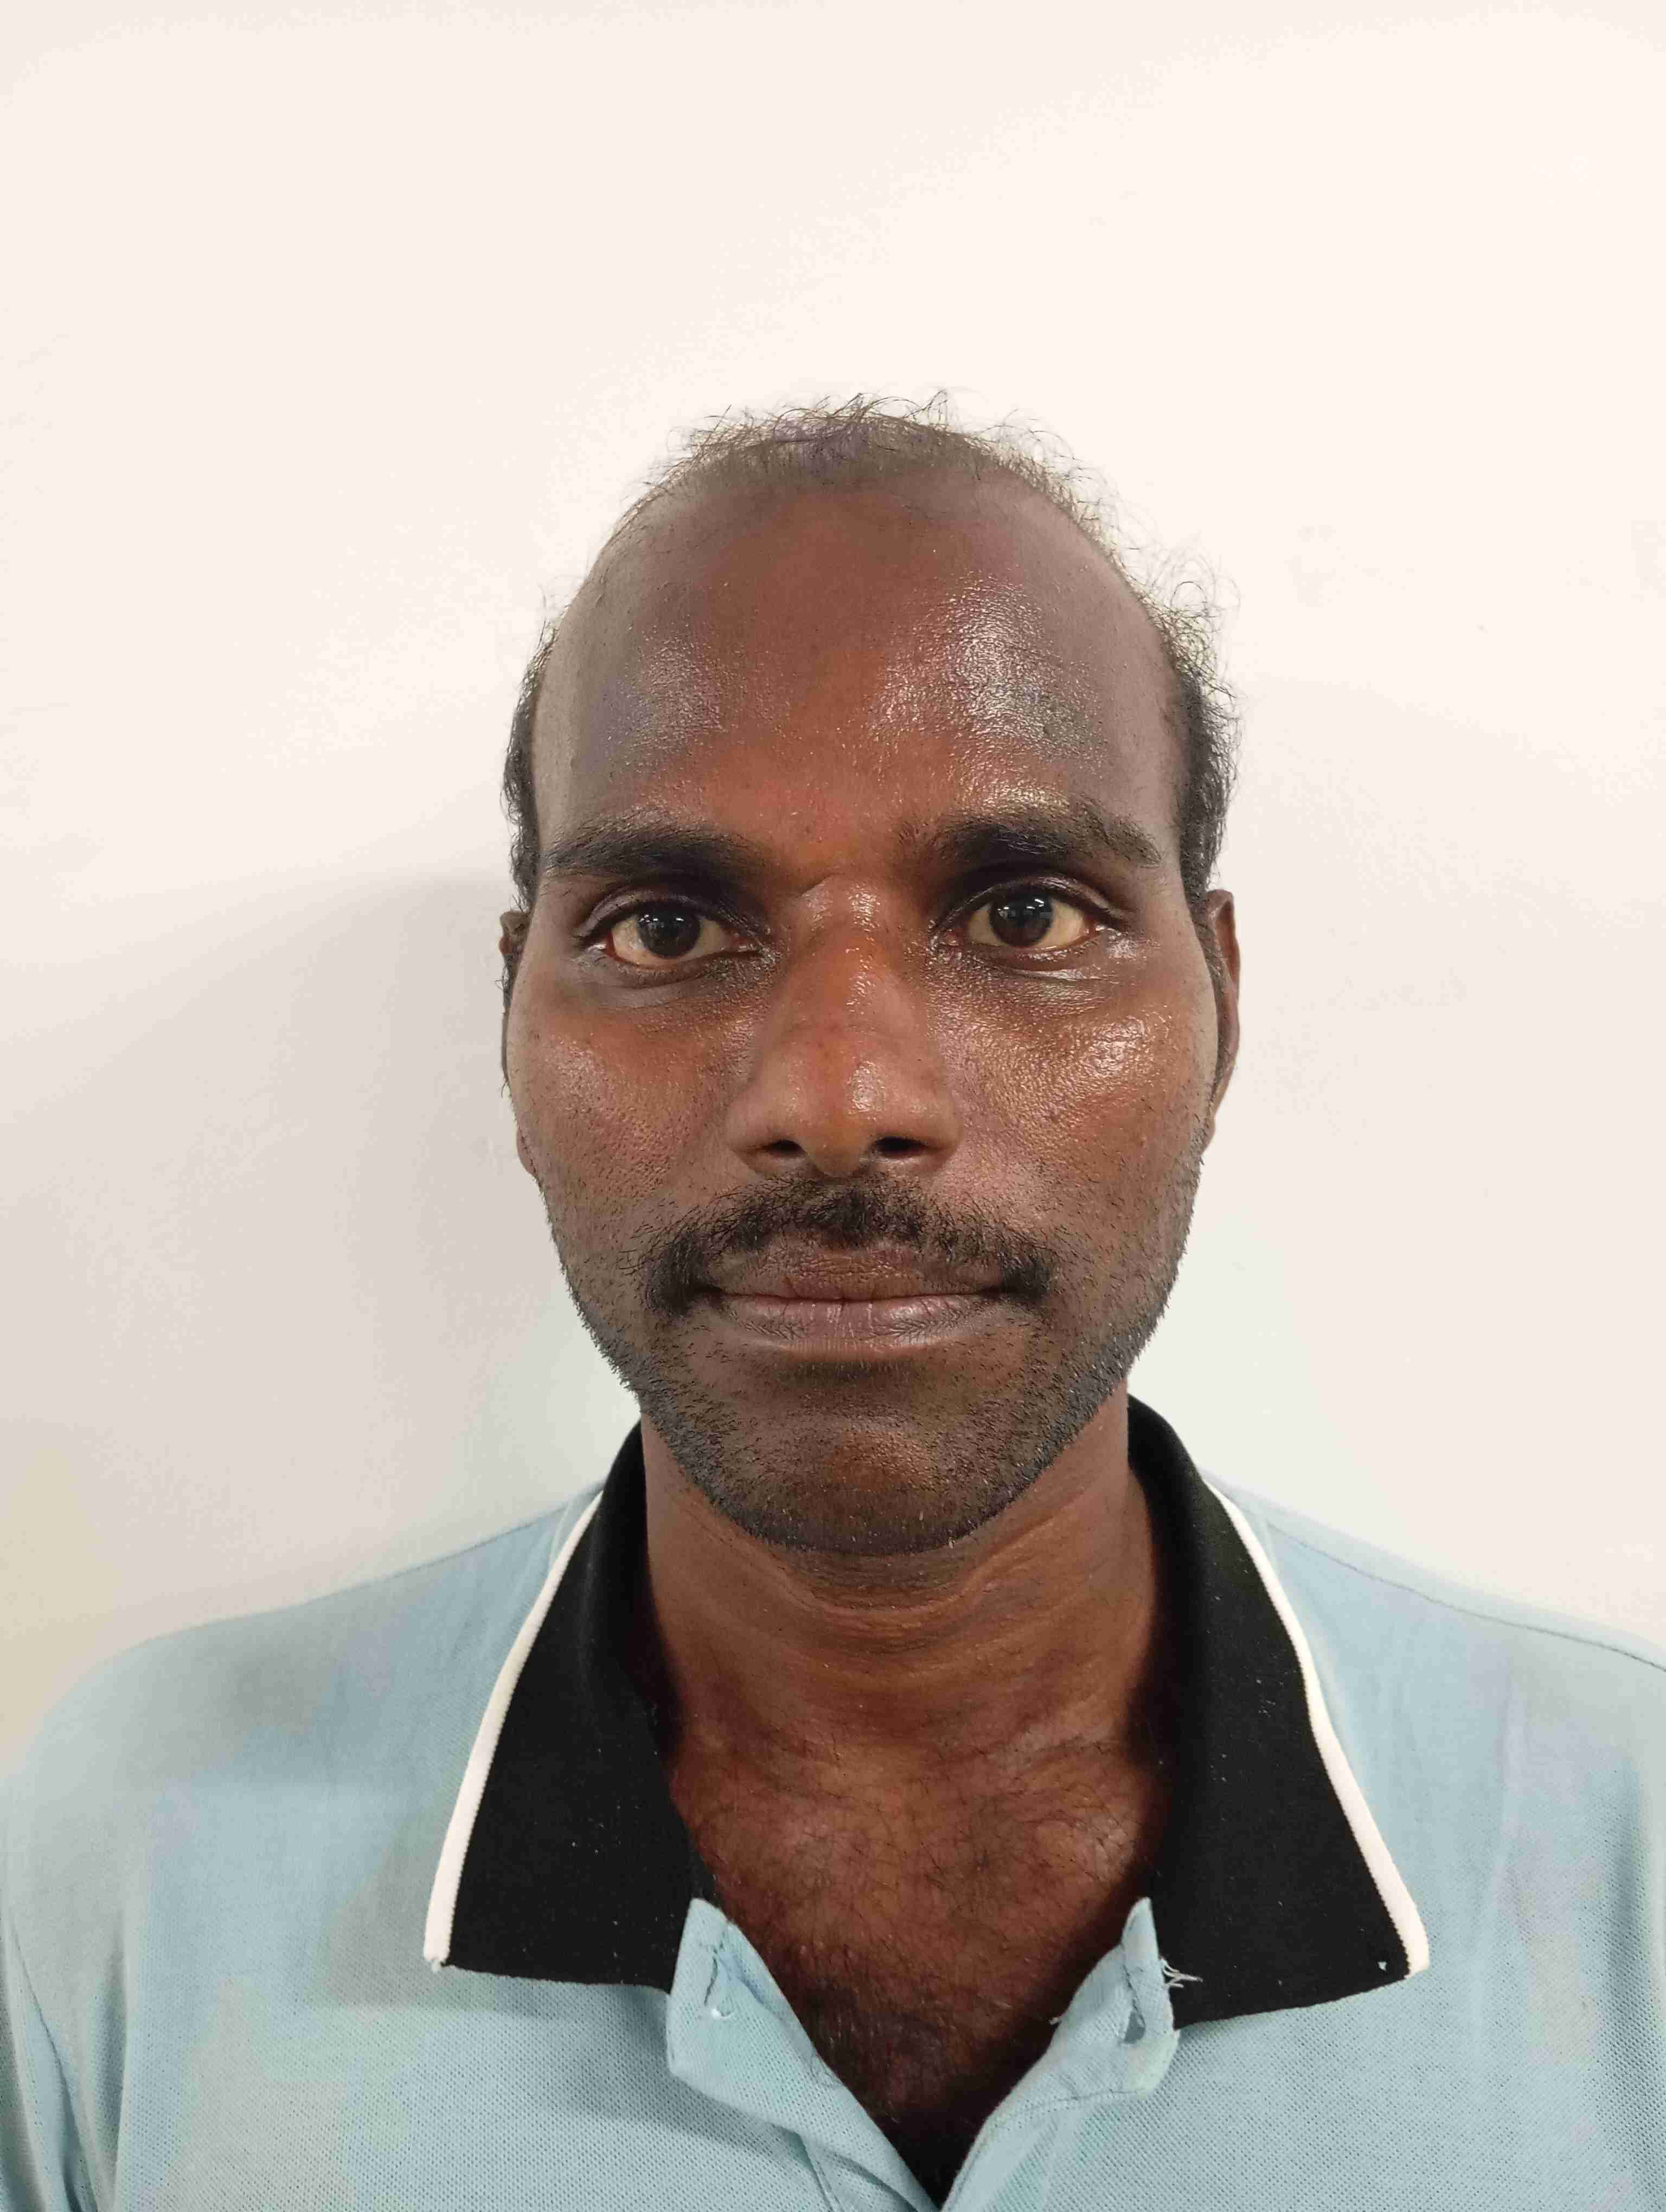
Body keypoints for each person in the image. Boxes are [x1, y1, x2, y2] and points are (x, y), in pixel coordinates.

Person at [4, 396, 1663, 2210]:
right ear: (513, 1022)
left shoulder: (1631, 1855)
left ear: (1221, 1008)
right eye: (665, 927)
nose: (842, 1092)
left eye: (1026, 917)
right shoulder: (123, 1867)